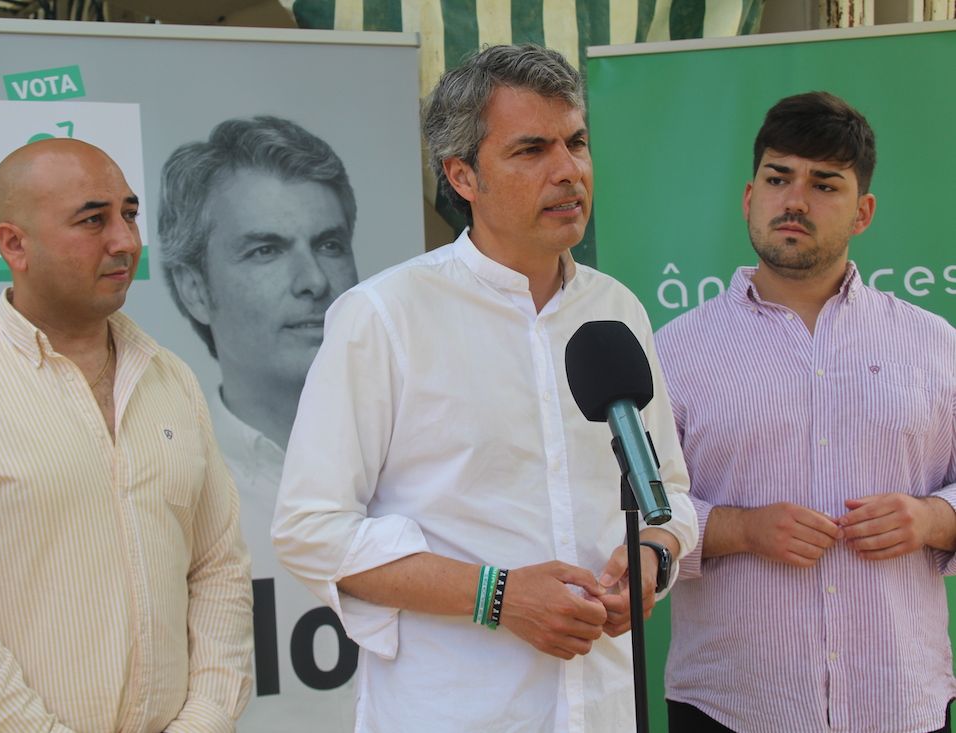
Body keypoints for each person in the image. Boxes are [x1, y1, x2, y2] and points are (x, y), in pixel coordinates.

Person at [272, 44, 697, 732]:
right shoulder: (383, 316)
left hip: (605, 705)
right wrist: (498, 596)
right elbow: (310, 529)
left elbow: (671, 494)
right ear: (462, 175)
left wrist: (653, 557)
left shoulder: (616, 310)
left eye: (577, 142)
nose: (568, 171)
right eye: (531, 150)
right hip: (455, 709)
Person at [0, 138, 253, 732]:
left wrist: (204, 720)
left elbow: (218, 569)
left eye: (128, 214)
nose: (124, 240)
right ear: (13, 244)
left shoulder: (169, 377)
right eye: (93, 219)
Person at [656, 91, 956, 733]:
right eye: (778, 178)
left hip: (900, 701)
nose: (795, 200)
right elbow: (626, 514)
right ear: (748, 197)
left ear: (864, 212)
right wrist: (741, 529)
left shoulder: (937, 345)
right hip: (730, 705)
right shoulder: (673, 351)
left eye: (825, 184)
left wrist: (932, 517)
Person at [157, 116, 361, 729]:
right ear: (194, 289)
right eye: (266, 250)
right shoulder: (163, 481)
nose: (314, 282)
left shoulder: (421, 453)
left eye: (329, 244)